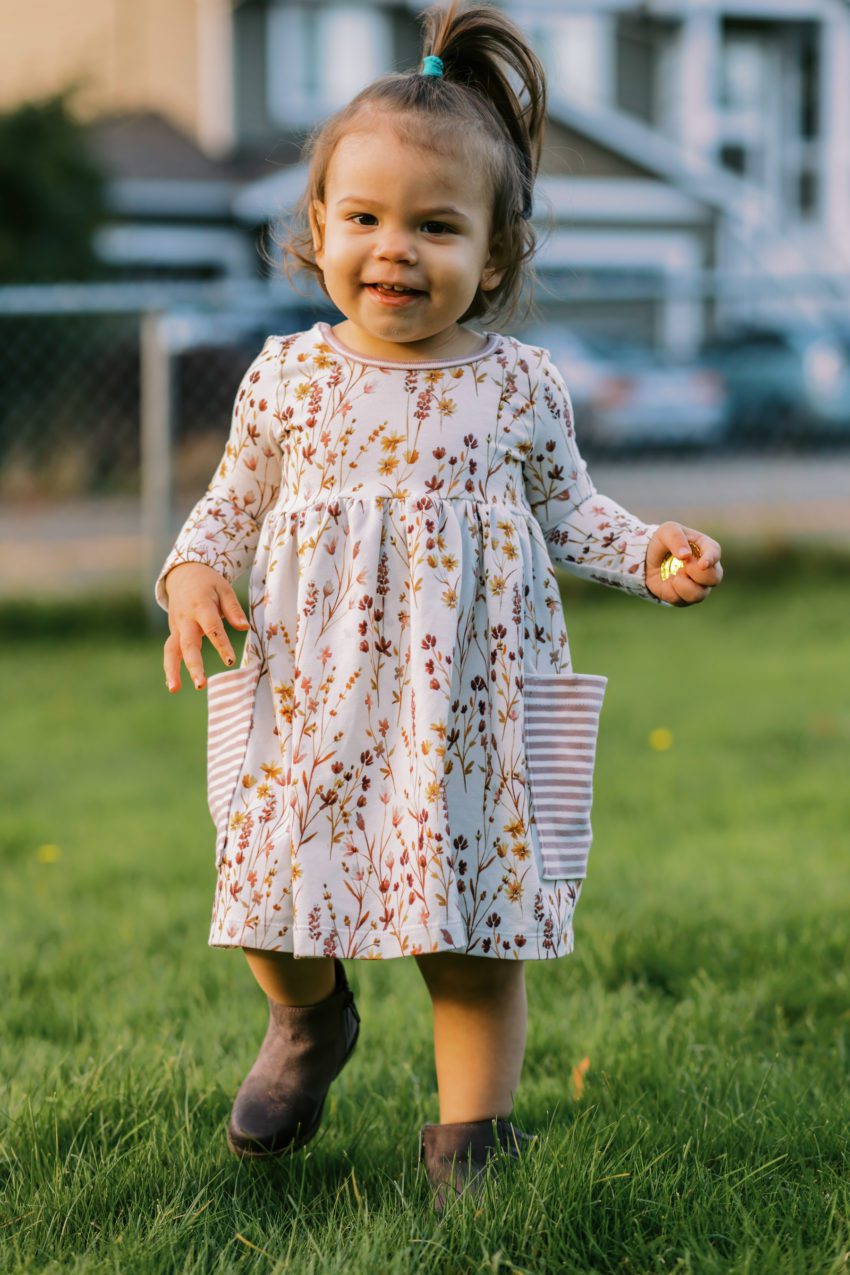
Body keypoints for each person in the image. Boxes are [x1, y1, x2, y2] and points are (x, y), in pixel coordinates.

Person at [154, 0, 723, 1213]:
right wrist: (192, 572)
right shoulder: (290, 377)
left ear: (497, 255)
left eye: (435, 225)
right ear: (317, 229)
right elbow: (226, 510)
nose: (394, 249)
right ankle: (309, 1024)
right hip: (317, 702)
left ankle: (474, 1142)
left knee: (469, 938)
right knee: (269, 891)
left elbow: (576, 516)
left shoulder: (518, 384)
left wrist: (650, 551)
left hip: (468, 711)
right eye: (363, 219)